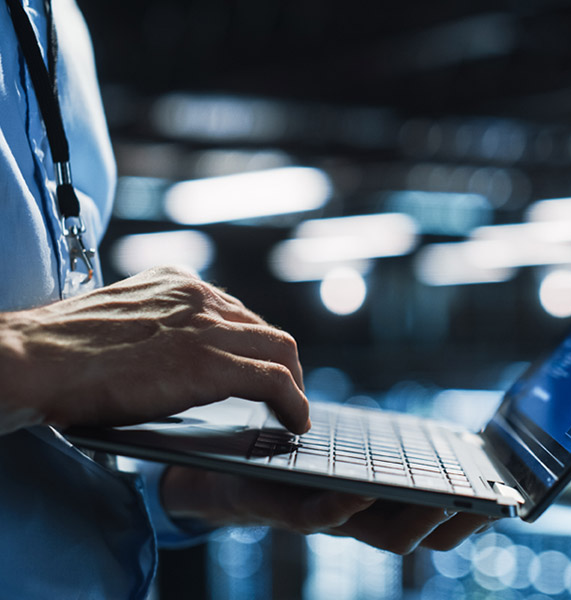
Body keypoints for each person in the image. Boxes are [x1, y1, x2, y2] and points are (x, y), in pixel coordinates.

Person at [0, 1, 492, 597]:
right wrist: (39, 352)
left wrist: (207, 486)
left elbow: (29, 465)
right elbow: (54, 368)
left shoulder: (60, 25)